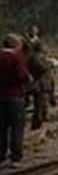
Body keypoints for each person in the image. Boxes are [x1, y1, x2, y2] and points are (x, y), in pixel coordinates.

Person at [0, 34, 32, 165]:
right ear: (15, 44)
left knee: (1, 127)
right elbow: (22, 75)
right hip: (15, 96)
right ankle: (15, 157)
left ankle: (0, 155)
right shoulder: (17, 57)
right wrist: (28, 79)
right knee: (17, 127)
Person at [25, 39, 56, 131]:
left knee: (42, 106)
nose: (45, 48)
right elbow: (41, 68)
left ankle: (39, 123)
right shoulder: (35, 57)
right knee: (40, 106)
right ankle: (36, 125)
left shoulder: (38, 57)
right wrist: (50, 64)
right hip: (40, 85)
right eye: (44, 46)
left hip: (44, 85)